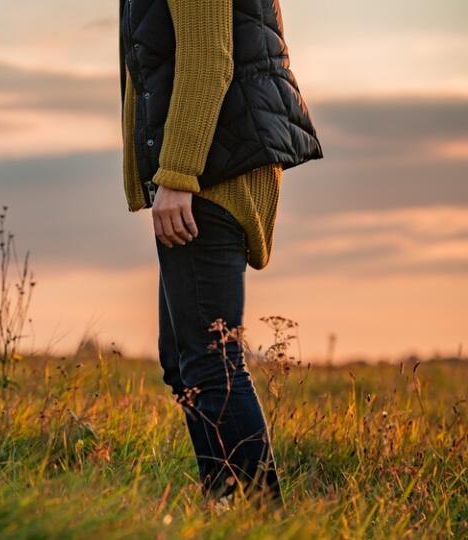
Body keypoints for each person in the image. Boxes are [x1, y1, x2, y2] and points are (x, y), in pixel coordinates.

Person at [119, 0, 323, 501]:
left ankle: (263, 517)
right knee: (186, 364)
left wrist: (177, 174)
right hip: (203, 169)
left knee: (212, 363)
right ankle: (225, 504)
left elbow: (210, 57)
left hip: (211, 172)